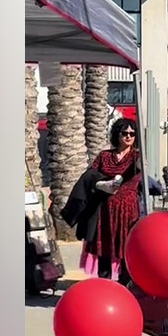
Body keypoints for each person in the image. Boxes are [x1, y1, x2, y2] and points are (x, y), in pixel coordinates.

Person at [60, 118, 142, 282]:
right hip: (104, 211)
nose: (128, 136)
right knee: (104, 248)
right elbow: (89, 175)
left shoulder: (136, 157)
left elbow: (141, 172)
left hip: (127, 211)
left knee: (126, 248)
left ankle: (125, 285)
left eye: (132, 134)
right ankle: (104, 284)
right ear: (117, 134)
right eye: (124, 133)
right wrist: (102, 183)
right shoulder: (105, 156)